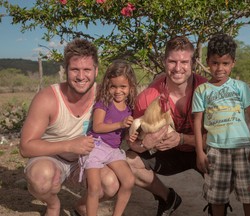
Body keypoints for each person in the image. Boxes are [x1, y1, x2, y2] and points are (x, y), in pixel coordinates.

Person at [20, 38, 119, 216]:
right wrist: (68, 145)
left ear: (96, 70)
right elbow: (26, 147)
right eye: (75, 69)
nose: (81, 76)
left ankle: (81, 206)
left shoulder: (104, 95)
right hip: (51, 157)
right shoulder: (47, 98)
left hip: (87, 159)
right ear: (65, 70)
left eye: (87, 69)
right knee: (41, 179)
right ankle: (53, 205)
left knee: (110, 184)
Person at [126, 35, 207, 216]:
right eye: (172, 61)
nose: (178, 68)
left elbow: (222, 137)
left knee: (225, 159)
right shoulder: (147, 96)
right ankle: (168, 198)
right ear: (164, 61)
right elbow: (132, 141)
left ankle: (218, 205)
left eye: (184, 62)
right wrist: (143, 145)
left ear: (193, 62)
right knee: (127, 162)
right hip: (166, 153)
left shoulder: (207, 91)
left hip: (201, 149)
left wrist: (182, 139)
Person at [192, 33, 250, 216]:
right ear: (208, 61)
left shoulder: (240, 87)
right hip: (215, 150)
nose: (220, 68)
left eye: (225, 63)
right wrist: (200, 152)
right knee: (216, 197)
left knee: (248, 194)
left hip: (242, 150)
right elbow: (197, 121)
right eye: (215, 63)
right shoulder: (202, 90)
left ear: (233, 63)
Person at [79, 60, 136, 216]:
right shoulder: (104, 102)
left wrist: (130, 135)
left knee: (129, 181)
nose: (118, 91)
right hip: (96, 146)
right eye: (113, 86)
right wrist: (120, 123)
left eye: (123, 87)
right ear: (107, 86)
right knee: (94, 188)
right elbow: (97, 127)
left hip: (113, 150)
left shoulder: (129, 107)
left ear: (131, 87)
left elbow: (122, 133)